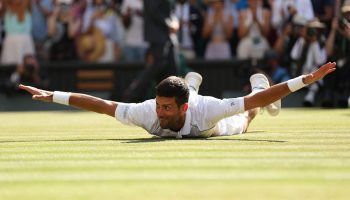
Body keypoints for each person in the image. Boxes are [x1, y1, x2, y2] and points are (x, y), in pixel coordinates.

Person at [19, 62, 336, 138]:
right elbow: (103, 105)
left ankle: (254, 84)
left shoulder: (204, 110)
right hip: (192, 99)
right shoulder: (147, 112)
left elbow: (251, 103)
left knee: (245, 117)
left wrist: (303, 82)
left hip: (211, 125)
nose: (160, 112)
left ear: (183, 107)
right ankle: (191, 83)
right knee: (186, 90)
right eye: (159, 104)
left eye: (167, 107)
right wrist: (55, 96)